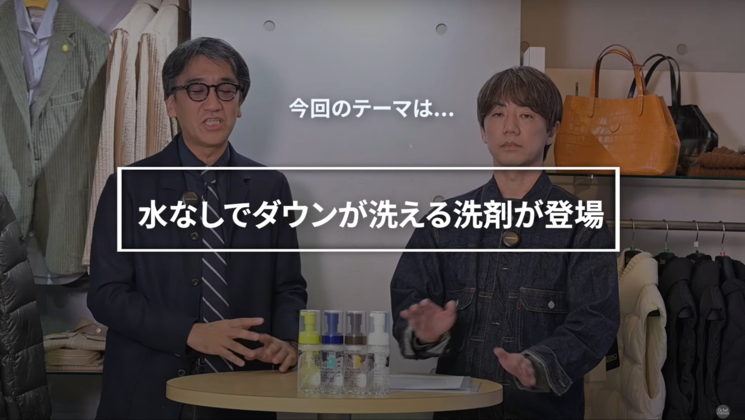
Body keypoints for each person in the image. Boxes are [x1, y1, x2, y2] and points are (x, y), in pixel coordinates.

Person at [88, 37, 308, 420]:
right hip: (147, 392)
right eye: (196, 90)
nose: (213, 103)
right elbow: (107, 295)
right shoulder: (128, 187)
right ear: (171, 104)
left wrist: (288, 341)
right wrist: (190, 333)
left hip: (245, 391)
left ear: (239, 103)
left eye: (226, 90)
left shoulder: (270, 187)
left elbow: (289, 286)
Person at [389, 66, 620, 419]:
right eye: (498, 114)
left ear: (552, 131)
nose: (510, 127)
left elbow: (596, 320)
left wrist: (540, 363)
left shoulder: (582, 226)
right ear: (484, 131)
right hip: (459, 414)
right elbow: (409, 301)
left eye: (526, 115)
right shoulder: (443, 222)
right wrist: (425, 334)